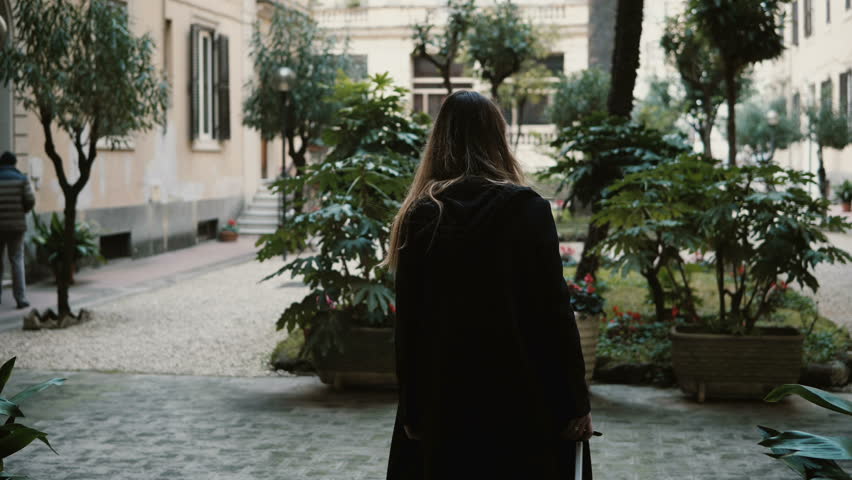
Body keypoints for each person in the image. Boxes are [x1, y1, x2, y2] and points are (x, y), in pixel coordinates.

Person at [384, 91, 593, 480]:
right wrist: (575, 403)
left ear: (439, 140)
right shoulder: (528, 210)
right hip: (523, 400)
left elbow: (409, 326)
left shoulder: (421, 215)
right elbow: (554, 315)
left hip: (444, 402)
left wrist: (413, 409)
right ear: (497, 138)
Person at [0, 151, 35, 309]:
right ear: (14, 163)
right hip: (16, 227)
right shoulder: (22, 179)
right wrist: (22, 211)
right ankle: (20, 298)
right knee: (17, 260)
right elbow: (30, 200)